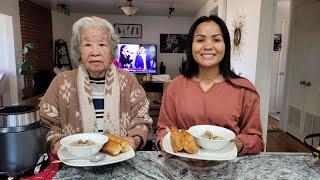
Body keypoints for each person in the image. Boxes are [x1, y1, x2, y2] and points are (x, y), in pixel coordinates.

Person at [39, 16, 152, 157]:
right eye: (87, 45)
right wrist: (58, 146)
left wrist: (134, 140)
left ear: (112, 50)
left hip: (120, 160)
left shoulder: (128, 80)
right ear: (78, 50)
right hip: (74, 163)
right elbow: (45, 124)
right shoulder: (61, 81)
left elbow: (141, 118)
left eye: (102, 44)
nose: (95, 52)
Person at [155, 15, 264, 156]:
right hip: (182, 169)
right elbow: (163, 130)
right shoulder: (175, 86)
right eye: (200, 40)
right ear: (191, 46)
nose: (208, 46)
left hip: (228, 169)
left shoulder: (245, 90)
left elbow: (256, 140)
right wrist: (166, 141)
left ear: (225, 45)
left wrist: (233, 146)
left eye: (216, 40)